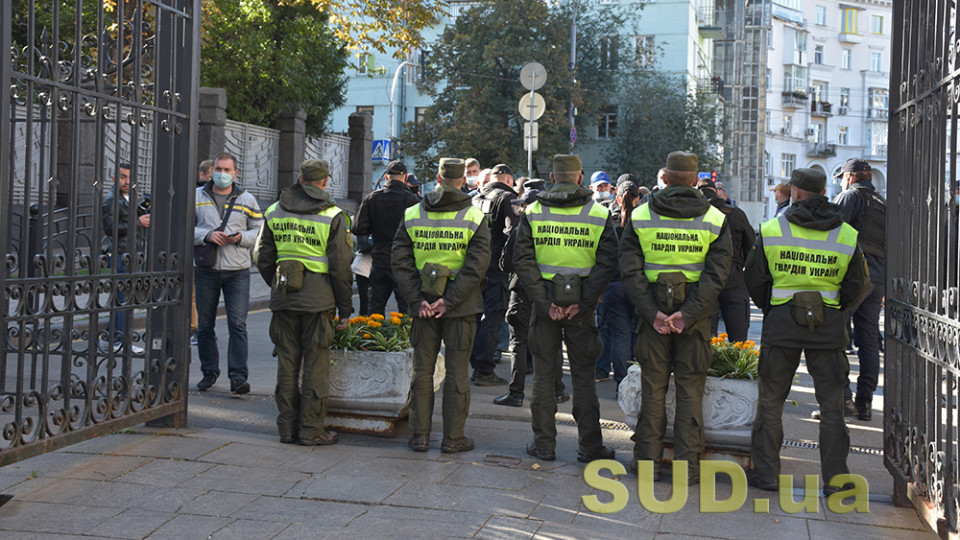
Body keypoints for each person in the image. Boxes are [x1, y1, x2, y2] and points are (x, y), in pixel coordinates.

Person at [744, 167, 870, 494]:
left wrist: (774, 307)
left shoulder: (772, 229)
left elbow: (754, 279)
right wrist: (835, 311)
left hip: (782, 326)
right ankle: (836, 481)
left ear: (796, 192)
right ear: (824, 192)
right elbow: (858, 285)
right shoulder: (845, 234)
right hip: (828, 329)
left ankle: (767, 474)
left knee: (771, 402)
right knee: (832, 408)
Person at [619, 151, 732, 484]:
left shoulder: (640, 215)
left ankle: (647, 465)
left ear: (664, 178)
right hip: (694, 322)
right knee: (689, 393)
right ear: (696, 180)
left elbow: (629, 270)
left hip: (652, 317)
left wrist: (652, 312)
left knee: (653, 391)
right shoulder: (715, 218)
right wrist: (688, 313)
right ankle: (687, 469)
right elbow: (717, 275)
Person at [514, 154, 618, 462]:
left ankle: (543, 443)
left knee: (544, 377)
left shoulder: (532, 211)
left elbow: (523, 260)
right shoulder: (598, 213)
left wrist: (545, 303)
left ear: (551, 176)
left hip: (544, 303)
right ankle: (589, 446)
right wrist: (583, 301)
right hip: (581, 308)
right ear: (581, 177)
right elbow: (607, 262)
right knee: (584, 377)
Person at [392, 158, 491, 453]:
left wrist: (416, 298)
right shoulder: (474, 216)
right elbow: (477, 266)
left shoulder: (412, 213)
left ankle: (419, 436)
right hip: (460, 307)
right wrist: (448, 301)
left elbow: (400, 260)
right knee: (458, 372)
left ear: (437, 177)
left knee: (422, 371)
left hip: (422, 303)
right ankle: (453, 438)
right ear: (464, 181)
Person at [254, 159, 353, 446]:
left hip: (284, 297)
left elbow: (262, 257)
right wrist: (345, 308)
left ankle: (286, 429)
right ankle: (311, 430)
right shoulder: (333, 215)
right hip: (318, 302)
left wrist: (278, 282)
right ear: (325, 182)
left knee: (286, 364)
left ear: (299, 179)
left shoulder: (274, 210)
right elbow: (340, 267)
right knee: (315, 366)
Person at [494, 178, 570, 408]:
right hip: (550, 292)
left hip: (523, 292)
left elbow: (504, 264)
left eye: (522, 205)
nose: (519, 209)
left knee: (519, 343)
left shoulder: (521, 229)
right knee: (553, 342)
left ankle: (516, 393)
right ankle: (557, 390)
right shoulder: (559, 228)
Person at [194, 152, 263, 394]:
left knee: (237, 324)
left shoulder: (247, 199)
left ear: (235, 173)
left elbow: (259, 230)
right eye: (218, 169)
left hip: (238, 271)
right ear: (211, 171)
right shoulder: (197, 196)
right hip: (206, 269)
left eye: (226, 170)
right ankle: (209, 372)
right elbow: (183, 226)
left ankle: (238, 377)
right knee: (204, 325)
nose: (222, 174)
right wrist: (206, 235)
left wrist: (240, 238)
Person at [834, 158, 886, 421]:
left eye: (842, 177)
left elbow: (834, 234)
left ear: (851, 177)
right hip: (878, 280)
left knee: (838, 336)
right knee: (868, 341)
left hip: (854, 276)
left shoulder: (849, 197)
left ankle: (842, 399)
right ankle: (864, 403)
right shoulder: (882, 203)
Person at [470, 163, 518, 386]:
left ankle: (476, 365)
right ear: (509, 179)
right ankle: (483, 370)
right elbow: (513, 235)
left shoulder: (477, 198)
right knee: (493, 318)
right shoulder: (507, 198)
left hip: (476, 267)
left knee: (478, 318)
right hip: (498, 268)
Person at [353, 159, 420, 316]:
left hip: (380, 261)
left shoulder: (372, 198)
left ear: (386, 178)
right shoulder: (412, 200)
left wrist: (375, 226)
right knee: (406, 308)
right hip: (404, 262)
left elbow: (358, 228)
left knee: (375, 307)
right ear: (405, 178)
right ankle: (405, 339)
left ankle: (374, 338)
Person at [595, 178, 641, 385]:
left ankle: (622, 382)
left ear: (617, 196)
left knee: (618, 335)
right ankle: (635, 378)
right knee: (636, 333)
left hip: (613, 285)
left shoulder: (607, 219)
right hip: (638, 285)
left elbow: (601, 255)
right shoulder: (644, 220)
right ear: (638, 197)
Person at [698, 178, 756, 343]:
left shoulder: (695, 215)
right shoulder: (735, 214)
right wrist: (738, 266)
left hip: (704, 279)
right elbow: (751, 248)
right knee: (738, 342)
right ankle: (736, 369)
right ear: (715, 192)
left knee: (705, 341)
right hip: (733, 279)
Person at [101, 162, 149, 354]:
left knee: (125, 298)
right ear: (114, 179)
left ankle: (109, 338)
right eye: (122, 177)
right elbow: (110, 228)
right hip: (121, 255)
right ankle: (119, 341)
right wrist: (138, 222)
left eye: (130, 177)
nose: (127, 181)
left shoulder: (129, 198)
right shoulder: (111, 199)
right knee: (122, 299)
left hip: (132, 253)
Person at [191, 160, 215, 345]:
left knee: (197, 294)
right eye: (213, 174)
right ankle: (194, 328)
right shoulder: (197, 195)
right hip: (197, 251)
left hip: (205, 253)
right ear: (202, 175)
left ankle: (198, 328)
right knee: (194, 294)